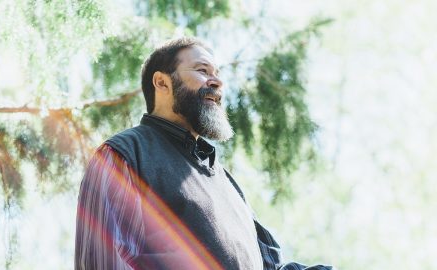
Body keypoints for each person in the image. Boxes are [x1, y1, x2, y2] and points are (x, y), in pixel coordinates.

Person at [74, 37, 334, 270]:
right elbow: (101, 262)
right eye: (202, 70)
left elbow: (270, 266)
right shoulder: (125, 154)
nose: (217, 81)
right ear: (162, 82)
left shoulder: (227, 183)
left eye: (217, 73)